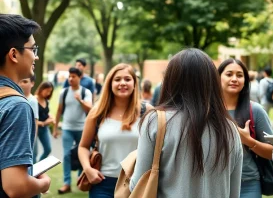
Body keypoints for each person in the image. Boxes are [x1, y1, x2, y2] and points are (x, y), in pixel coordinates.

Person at [130, 49, 243, 198]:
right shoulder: (230, 129)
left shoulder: (156, 121)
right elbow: (234, 192)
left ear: (172, 80)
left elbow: (137, 185)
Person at [78, 63, 152, 198]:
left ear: (135, 84)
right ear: (110, 84)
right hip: (103, 183)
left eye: (127, 79)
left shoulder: (146, 111)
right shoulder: (97, 112)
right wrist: (88, 169)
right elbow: (83, 146)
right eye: (117, 79)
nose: (122, 83)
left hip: (136, 184)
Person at [0, 14, 51, 197]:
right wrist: (43, 183)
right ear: (14, 54)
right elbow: (16, 186)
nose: (36, 57)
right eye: (33, 49)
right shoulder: (16, 106)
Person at [218, 58, 273, 198]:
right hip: (214, 183)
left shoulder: (255, 110)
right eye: (229, 74)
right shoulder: (207, 111)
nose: (234, 79)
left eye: (240, 75)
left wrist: (249, 141)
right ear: (217, 78)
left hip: (247, 184)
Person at [53, 67, 93, 194]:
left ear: (79, 77)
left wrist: (80, 100)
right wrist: (55, 128)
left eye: (73, 76)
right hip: (67, 128)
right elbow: (59, 110)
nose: (70, 79)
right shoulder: (63, 92)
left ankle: (81, 179)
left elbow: (90, 109)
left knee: (83, 155)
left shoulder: (86, 92)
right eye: (69, 76)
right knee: (66, 155)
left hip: (82, 129)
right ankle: (66, 183)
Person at [34, 81, 55, 162]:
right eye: (47, 91)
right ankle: (32, 172)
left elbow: (45, 112)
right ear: (42, 89)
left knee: (48, 149)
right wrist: (44, 123)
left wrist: (51, 116)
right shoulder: (34, 100)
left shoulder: (46, 101)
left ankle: (38, 167)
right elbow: (32, 119)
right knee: (34, 153)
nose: (48, 93)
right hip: (36, 128)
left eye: (50, 91)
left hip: (44, 129)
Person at [19, 76, 39, 140]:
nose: (22, 84)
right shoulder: (16, 98)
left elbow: (35, 120)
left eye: (25, 82)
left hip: (27, 136)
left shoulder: (32, 101)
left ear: (32, 83)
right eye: (20, 81)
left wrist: (34, 137)